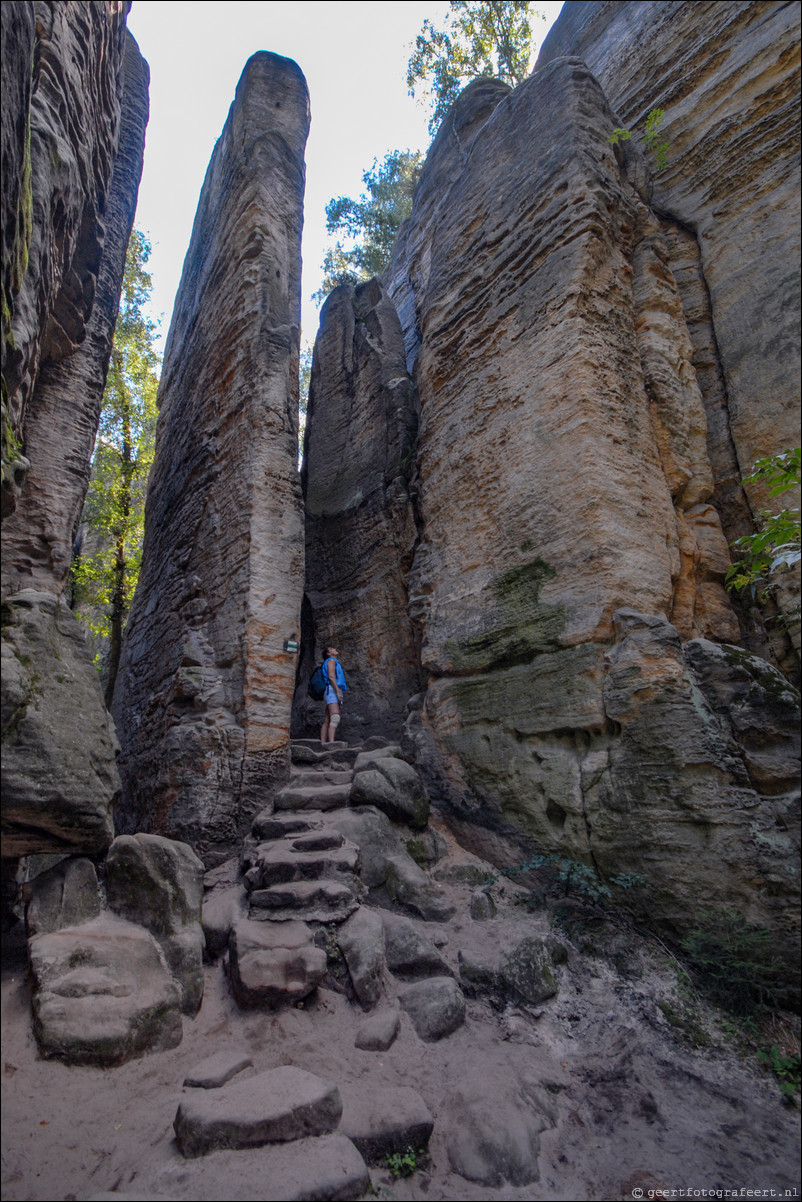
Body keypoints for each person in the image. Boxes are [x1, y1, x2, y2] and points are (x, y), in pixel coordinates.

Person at [320, 644, 347, 744]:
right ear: (328, 653)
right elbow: (331, 676)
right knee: (335, 717)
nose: (335, 649)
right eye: (332, 649)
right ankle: (331, 743)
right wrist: (337, 692)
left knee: (327, 719)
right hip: (332, 690)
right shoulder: (331, 661)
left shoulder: (333, 661)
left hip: (329, 690)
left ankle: (323, 743)